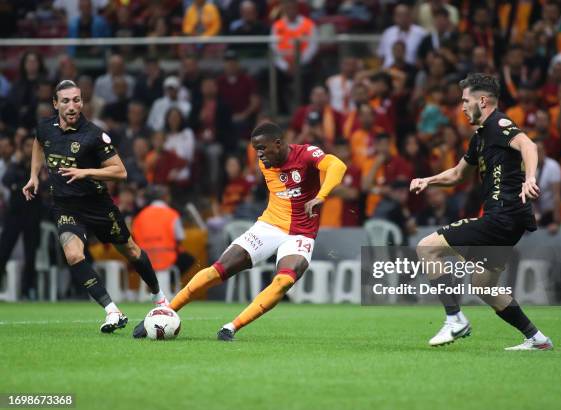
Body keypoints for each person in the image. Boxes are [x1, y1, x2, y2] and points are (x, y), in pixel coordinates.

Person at [133, 121, 347, 340]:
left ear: (278, 143)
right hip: (270, 226)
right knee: (218, 270)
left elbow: (338, 166)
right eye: (256, 150)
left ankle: (231, 327)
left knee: (284, 281)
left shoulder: (306, 154)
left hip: (301, 234)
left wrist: (321, 196)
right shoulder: (267, 164)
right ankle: (165, 312)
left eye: (263, 148)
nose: (259, 155)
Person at [410, 73, 553, 351]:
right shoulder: (480, 138)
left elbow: (528, 145)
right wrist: (429, 180)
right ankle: (537, 339)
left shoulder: (499, 123)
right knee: (483, 284)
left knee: (427, 248)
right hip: (508, 220)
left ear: (483, 101)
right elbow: (457, 175)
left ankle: (454, 319)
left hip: (503, 215)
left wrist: (531, 178)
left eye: (466, 101)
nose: (462, 107)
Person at [22, 80, 168, 333]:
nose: (72, 105)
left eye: (76, 100)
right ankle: (113, 311)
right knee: (74, 255)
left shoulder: (94, 134)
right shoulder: (45, 127)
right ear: (55, 104)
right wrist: (34, 175)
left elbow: (120, 172)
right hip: (65, 205)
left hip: (98, 205)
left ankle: (160, 298)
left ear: (82, 102)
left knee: (131, 251)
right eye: (65, 101)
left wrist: (85, 172)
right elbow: (38, 144)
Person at [0, 137, 42, 299]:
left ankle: (27, 289)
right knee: (4, 249)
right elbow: (6, 180)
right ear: (21, 148)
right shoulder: (16, 164)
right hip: (15, 214)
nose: (29, 149)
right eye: (27, 146)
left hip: (32, 215)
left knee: (31, 254)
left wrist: (18, 186)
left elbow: (43, 187)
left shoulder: (39, 166)